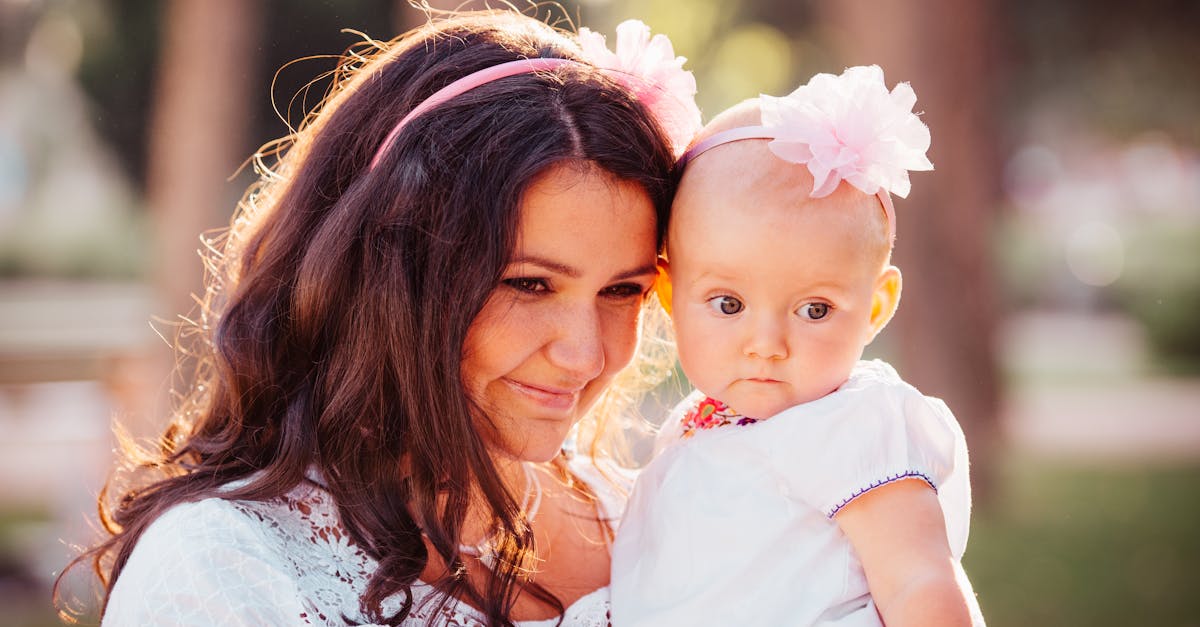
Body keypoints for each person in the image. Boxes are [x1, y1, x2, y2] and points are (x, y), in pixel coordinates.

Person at [56, 10, 702, 626]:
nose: (586, 355)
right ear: (388, 274)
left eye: (623, 291)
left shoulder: (665, 523)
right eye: (528, 284)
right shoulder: (222, 569)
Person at [610, 66, 986, 626]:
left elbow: (919, 582)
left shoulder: (853, 424)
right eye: (728, 304)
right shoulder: (694, 426)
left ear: (875, 307)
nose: (767, 346)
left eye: (814, 310)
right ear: (669, 292)